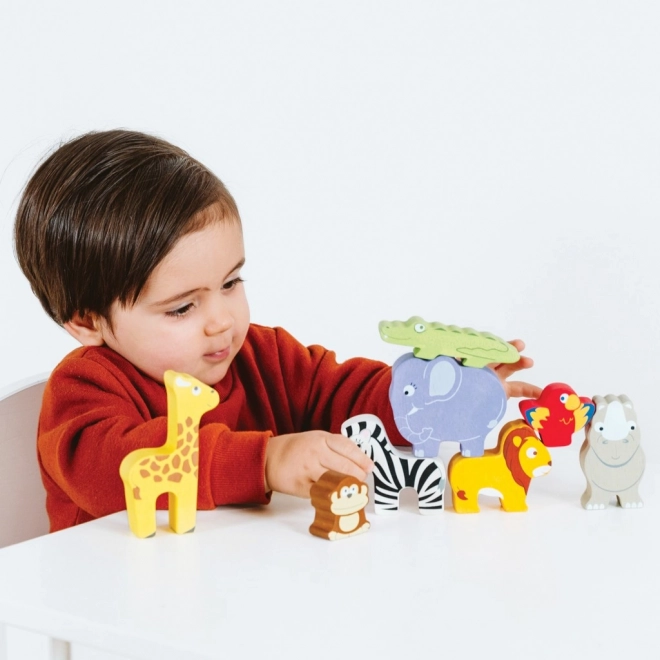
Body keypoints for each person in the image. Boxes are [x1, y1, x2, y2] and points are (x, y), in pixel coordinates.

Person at [13, 129, 541, 532]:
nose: (221, 320)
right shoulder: (83, 391)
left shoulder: (262, 358)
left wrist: (433, 397)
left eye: (230, 282)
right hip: (120, 609)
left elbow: (345, 394)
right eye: (182, 308)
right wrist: (264, 461)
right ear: (88, 321)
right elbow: (120, 469)